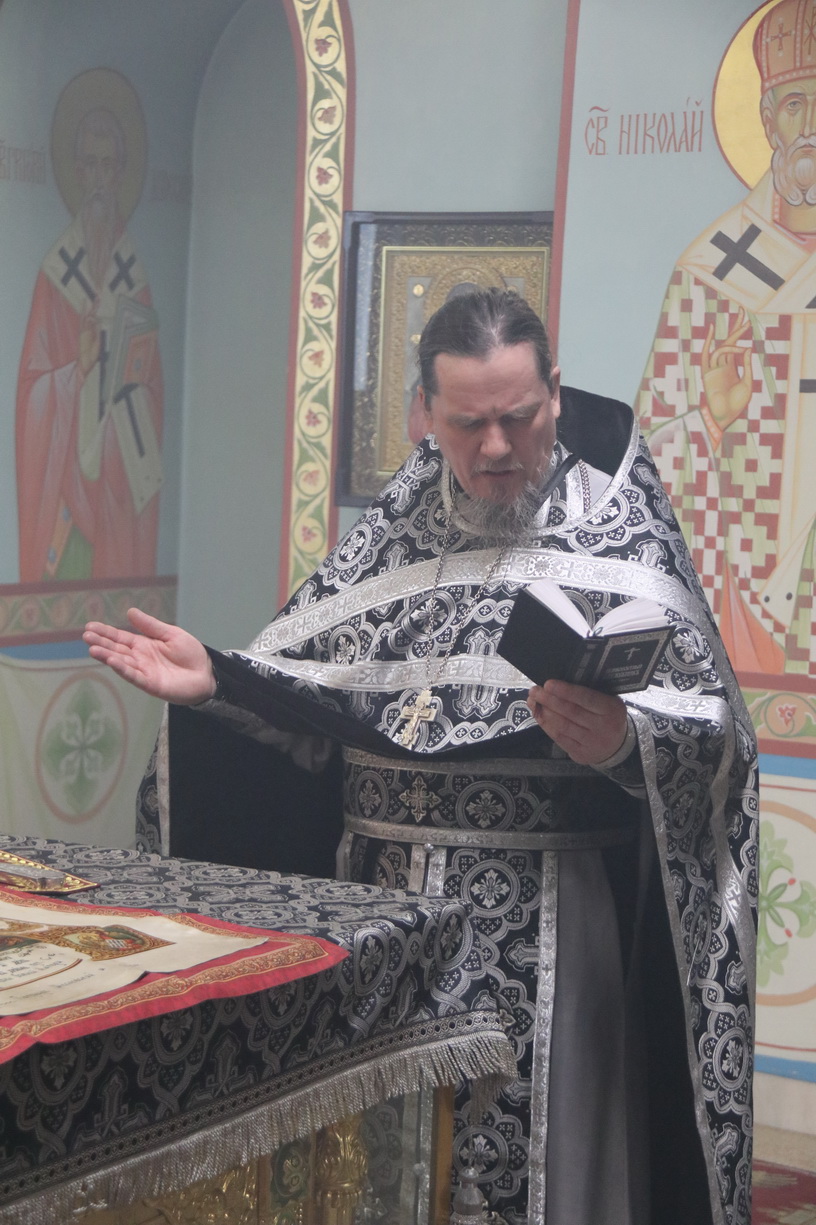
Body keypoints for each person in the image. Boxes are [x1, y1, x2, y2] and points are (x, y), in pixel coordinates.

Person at [85, 289, 757, 1225]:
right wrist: (222, 685)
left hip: (554, 919)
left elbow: (717, 738)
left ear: (556, 395)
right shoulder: (392, 532)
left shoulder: (621, 523)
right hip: (382, 912)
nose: (496, 447)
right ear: (425, 414)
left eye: (518, 417)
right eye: (468, 424)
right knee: (383, 1173)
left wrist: (624, 742)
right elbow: (318, 709)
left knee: (537, 1172)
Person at [637, 0, 816, 677]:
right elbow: (646, 459)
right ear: (768, 120)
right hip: (750, 577)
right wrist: (710, 419)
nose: (812, 125)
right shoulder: (711, 271)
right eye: (796, 104)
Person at [16, 104, 163, 582]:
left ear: (121, 174)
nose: (100, 179)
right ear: (77, 172)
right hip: (65, 488)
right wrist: (73, 374)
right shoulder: (55, 272)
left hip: (115, 482)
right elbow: (31, 392)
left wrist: (127, 390)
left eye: (109, 165)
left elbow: (153, 391)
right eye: (90, 165)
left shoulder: (134, 277)